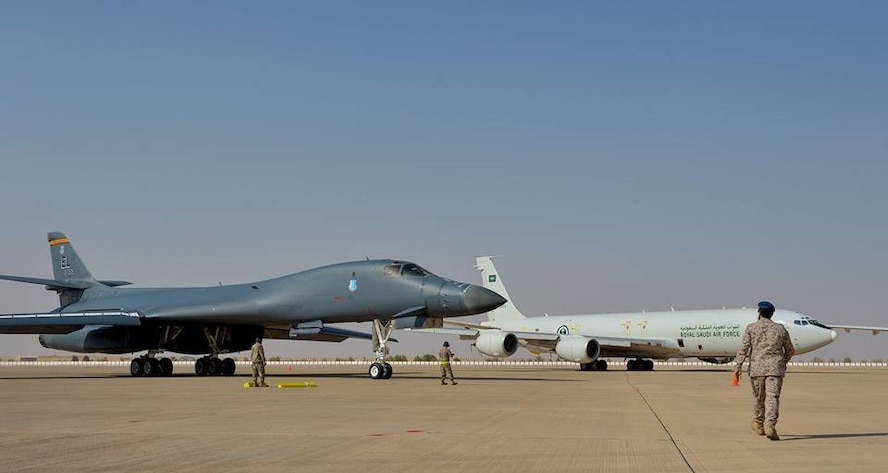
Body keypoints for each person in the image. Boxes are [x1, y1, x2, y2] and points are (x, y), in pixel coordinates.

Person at [734, 301, 795, 440]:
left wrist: (738, 367)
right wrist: (782, 361)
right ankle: (770, 425)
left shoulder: (751, 328)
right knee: (772, 397)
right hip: (775, 369)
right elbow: (790, 350)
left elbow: (743, 349)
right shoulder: (780, 329)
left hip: (757, 369)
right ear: (772, 314)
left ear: (759, 313)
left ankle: (757, 422)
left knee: (759, 397)